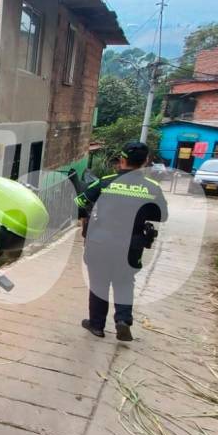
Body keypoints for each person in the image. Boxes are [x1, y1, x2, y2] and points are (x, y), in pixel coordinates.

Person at [75, 141, 167, 341]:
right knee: (124, 282)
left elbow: (79, 202)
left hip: (101, 241)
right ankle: (123, 320)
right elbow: (162, 215)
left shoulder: (105, 182)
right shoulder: (152, 187)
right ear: (145, 162)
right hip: (131, 243)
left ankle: (97, 326)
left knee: (99, 283)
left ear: (122, 160)